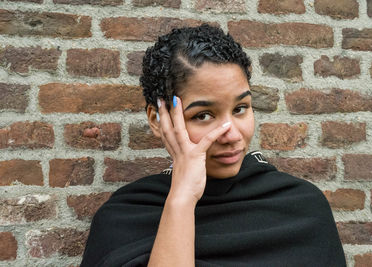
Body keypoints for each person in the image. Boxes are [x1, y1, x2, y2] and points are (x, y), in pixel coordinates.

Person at [80, 24, 346, 267]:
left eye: (241, 108)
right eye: (203, 115)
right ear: (158, 120)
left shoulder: (302, 209)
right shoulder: (123, 220)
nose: (231, 135)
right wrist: (182, 200)